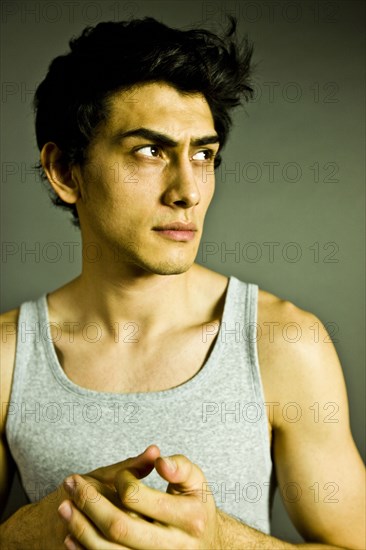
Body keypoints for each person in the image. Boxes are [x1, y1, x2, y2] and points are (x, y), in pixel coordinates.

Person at [0, 16, 364, 550]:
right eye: (149, 151)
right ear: (64, 171)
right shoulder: (9, 360)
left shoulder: (284, 343)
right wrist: (23, 534)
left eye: (203, 154)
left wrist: (221, 540)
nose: (188, 190)